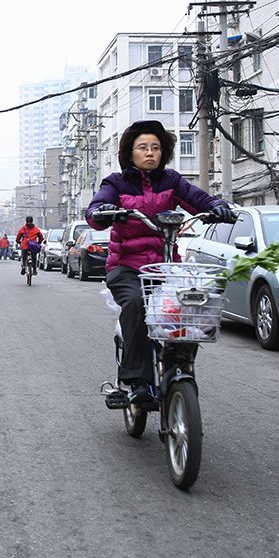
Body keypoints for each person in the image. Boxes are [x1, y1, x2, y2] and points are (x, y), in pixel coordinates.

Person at [86, 120, 234, 407]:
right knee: (137, 304)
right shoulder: (116, 183)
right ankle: (137, 381)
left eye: (155, 147)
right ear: (130, 153)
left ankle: (180, 360)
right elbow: (95, 211)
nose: (150, 152)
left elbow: (198, 199)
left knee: (192, 304)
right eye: (143, 147)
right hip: (126, 268)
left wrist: (216, 206)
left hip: (167, 267)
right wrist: (105, 211)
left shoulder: (172, 181)